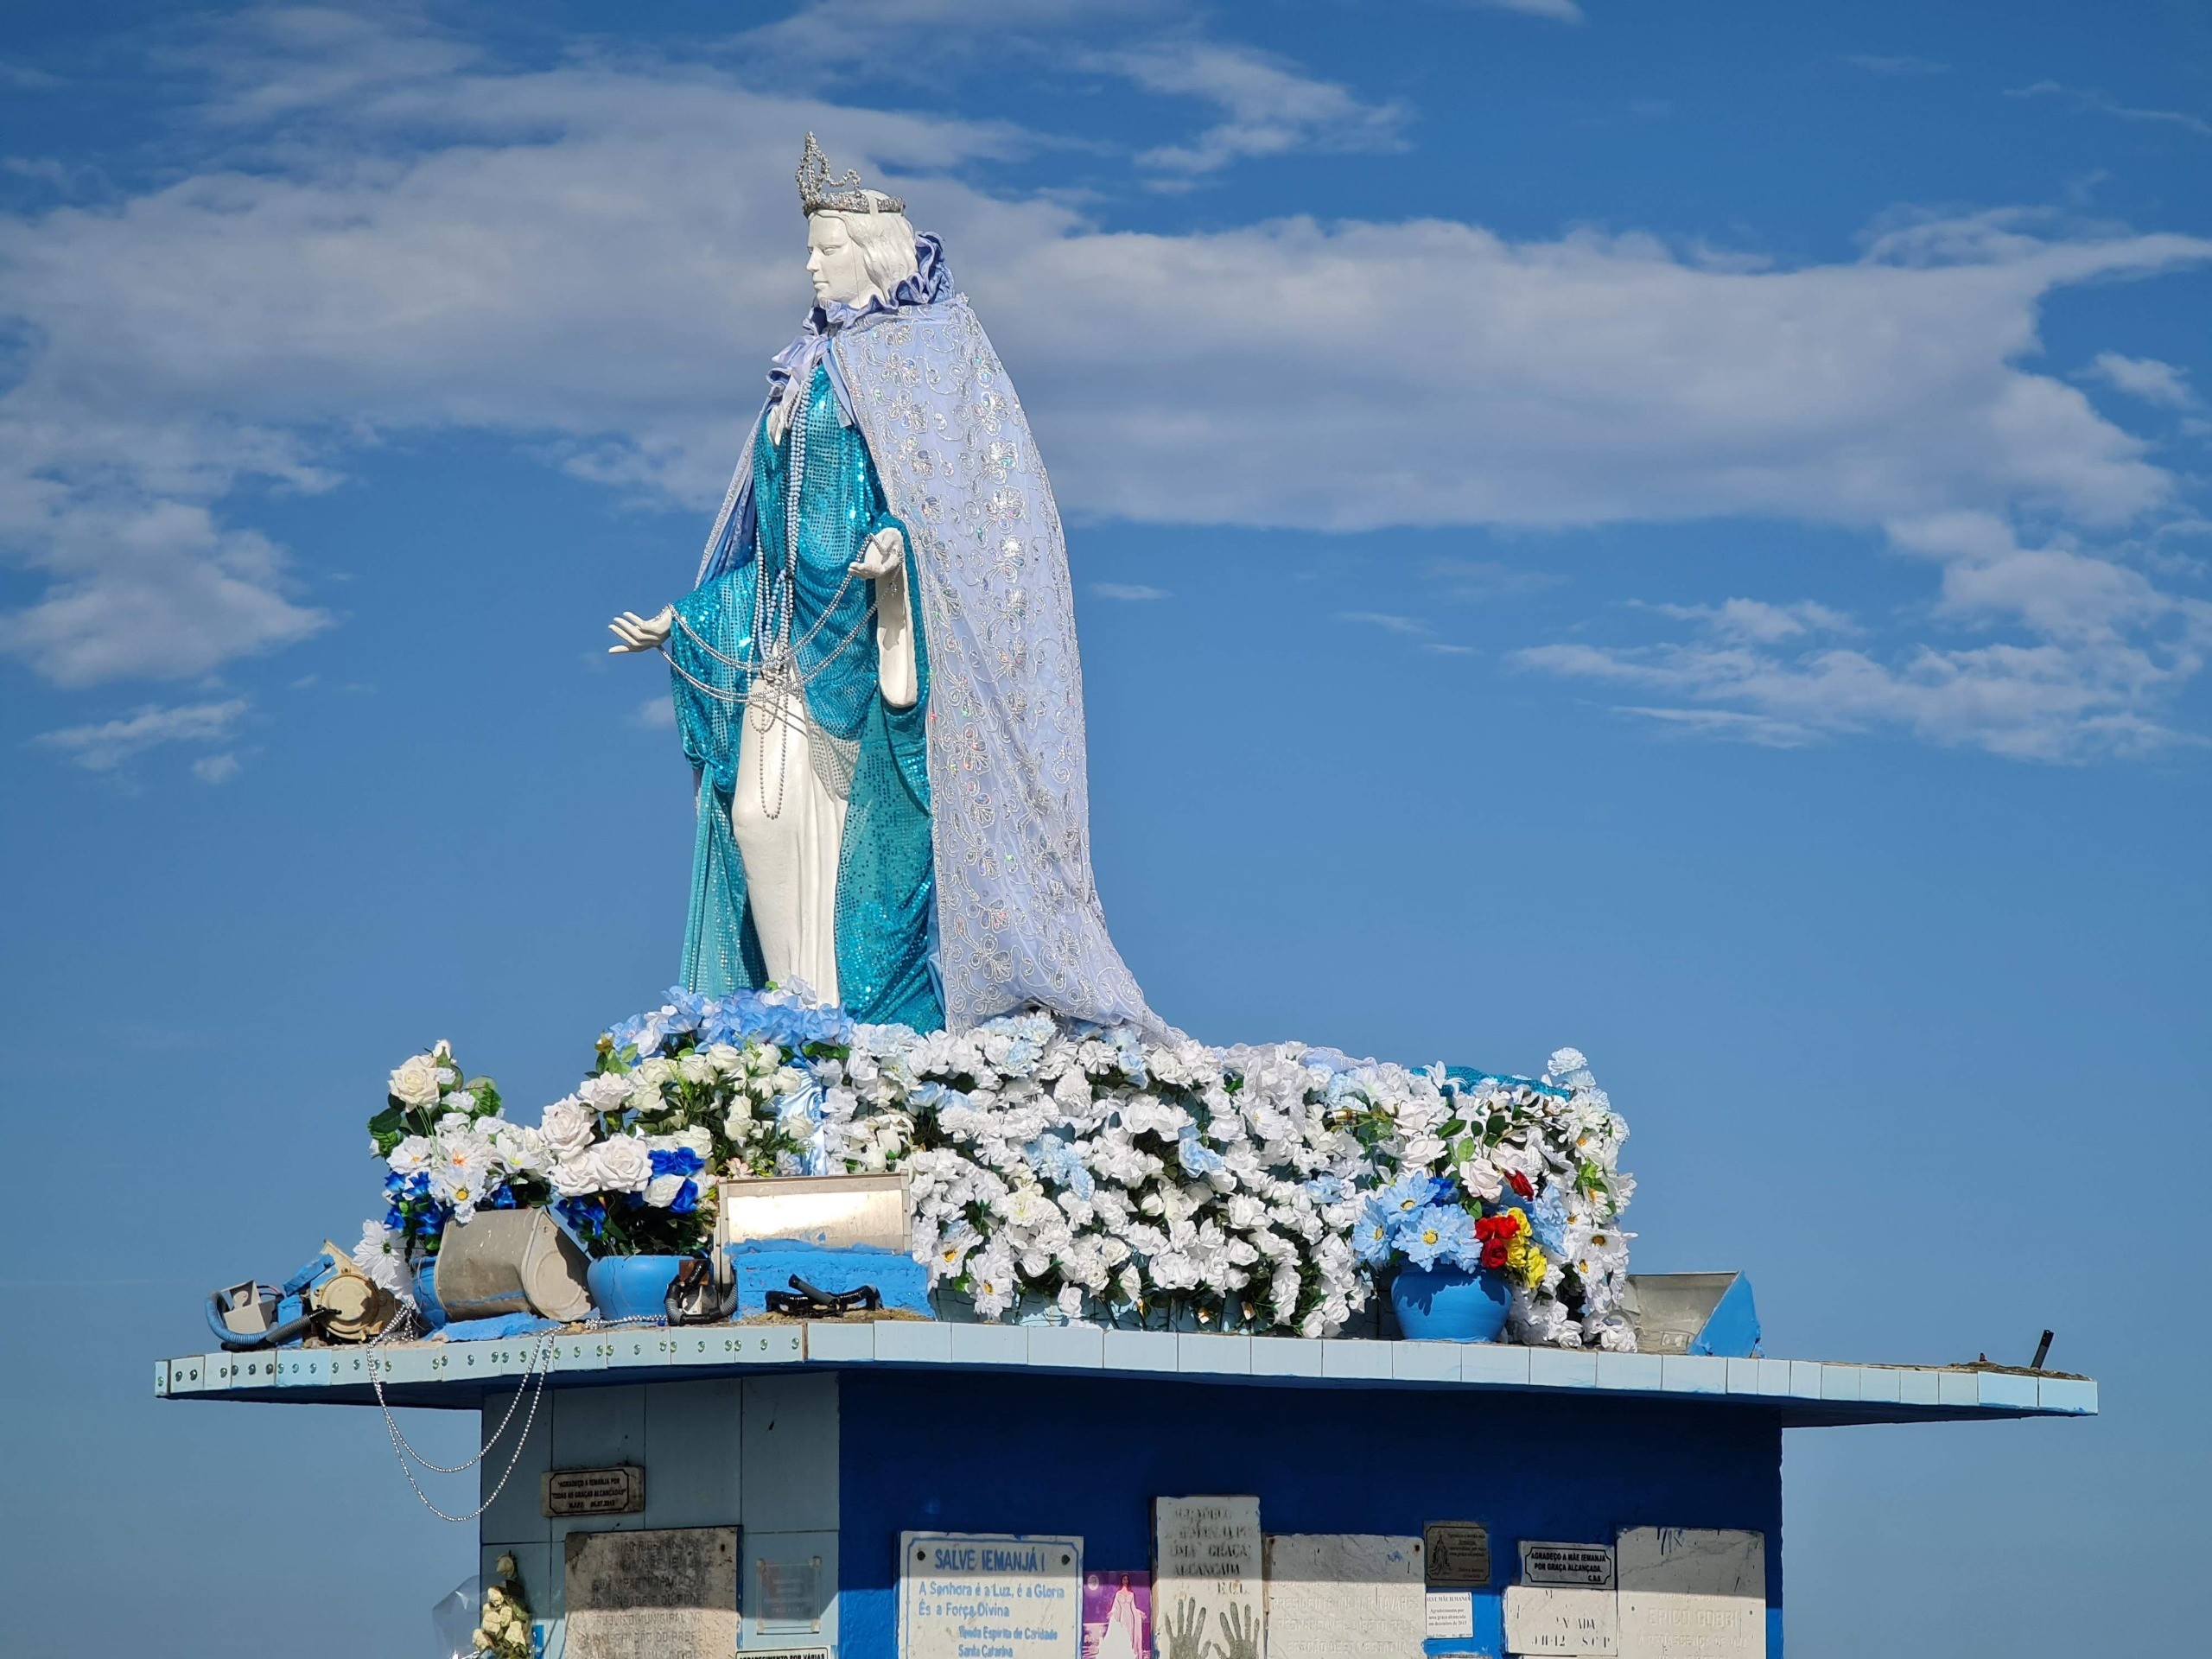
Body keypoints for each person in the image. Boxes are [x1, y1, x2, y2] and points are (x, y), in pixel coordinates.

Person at [610, 136, 1163, 1037]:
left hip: (877, 649)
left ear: (871, 256)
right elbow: (779, 543)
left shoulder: (928, 356)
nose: (810, 265)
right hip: (784, 635)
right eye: (810, 250)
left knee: (859, 853)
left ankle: (847, 1025)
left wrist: (898, 553)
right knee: (758, 818)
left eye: (825, 250)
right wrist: (689, 617)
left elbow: (964, 510)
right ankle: (795, 1020)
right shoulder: (801, 371)